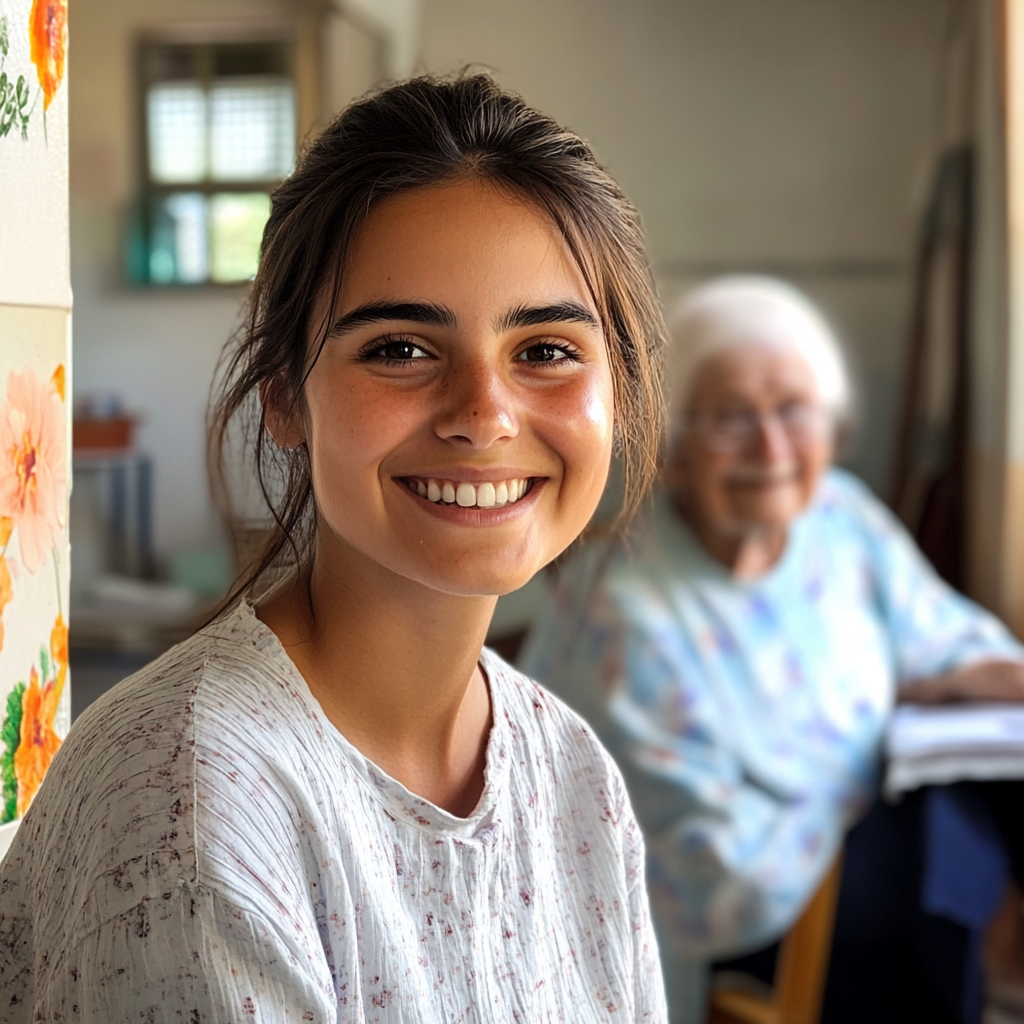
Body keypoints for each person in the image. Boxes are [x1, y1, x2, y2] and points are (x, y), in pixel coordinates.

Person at [0, 75, 670, 1022]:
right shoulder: (195, 804)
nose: (484, 416)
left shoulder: (573, 778)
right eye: (400, 348)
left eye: (547, 349)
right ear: (282, 396)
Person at [519, 275, 1024, 1024]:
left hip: (866, 826)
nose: (773, 448)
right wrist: (863, 774)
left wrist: (970, 678)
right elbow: (710, 875)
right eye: (731, 420)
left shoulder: (839, 518)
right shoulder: (628, 620)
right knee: (947, 872)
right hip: (744, 919)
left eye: (794, 412)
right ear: (674, 448)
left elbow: (941, 635)